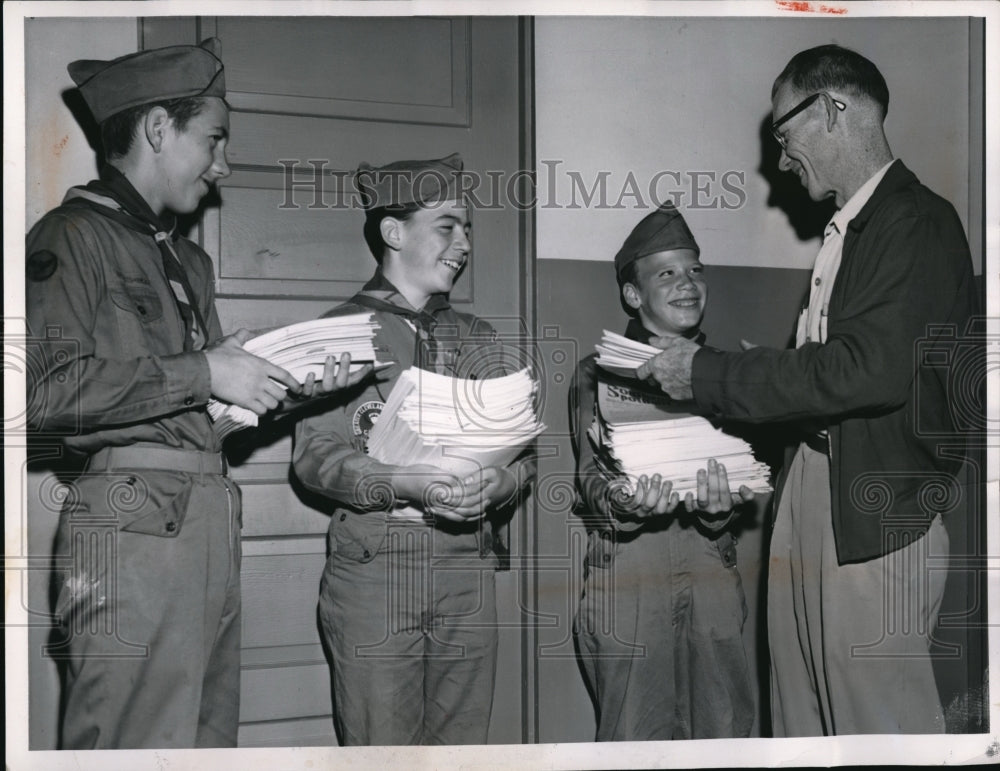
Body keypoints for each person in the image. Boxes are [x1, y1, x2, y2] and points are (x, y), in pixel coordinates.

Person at [26, 39, 369, 749]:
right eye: (214, 139)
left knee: (207, 747)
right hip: (129, 530)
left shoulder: (188, 260)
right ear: (157, 129)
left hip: (208, 523)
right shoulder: (72, 237)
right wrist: (204, 370)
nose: (224, 164)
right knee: (131, 743)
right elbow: (44, 394)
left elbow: (202, 421)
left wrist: (290, 388)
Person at [635, 45, 978, 735]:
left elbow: (866, 370)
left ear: (831, 108)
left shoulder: (914, 221)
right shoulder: (849, 229)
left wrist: (708, 374)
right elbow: (831, 370)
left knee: (876, 723)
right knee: (802, 714)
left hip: (874, 504)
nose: (783, 159)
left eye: (784, 136)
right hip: (816, 482)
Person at [292, 153, 534, 746]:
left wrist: (503, 484)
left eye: (469, 228)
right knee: (382, 751)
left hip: (465, 570)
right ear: (393, 232)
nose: (464, 242)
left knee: (462, 751)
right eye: (448, 225)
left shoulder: (481, 340)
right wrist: (402, 482)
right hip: (378, 569)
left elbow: (523, 458)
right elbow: (313, 457)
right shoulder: (339, 332)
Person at [570, 203, 756, 741]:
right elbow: (590, 477)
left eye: (695, 270)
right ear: (633, 294)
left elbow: (743, 472)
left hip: (709, 566)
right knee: (634, 736)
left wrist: (724, 511)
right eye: (667, 273)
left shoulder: (728, 372)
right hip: (631, 569)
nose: (688, 284)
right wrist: (623, 502)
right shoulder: (597, 372)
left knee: (723, 732)